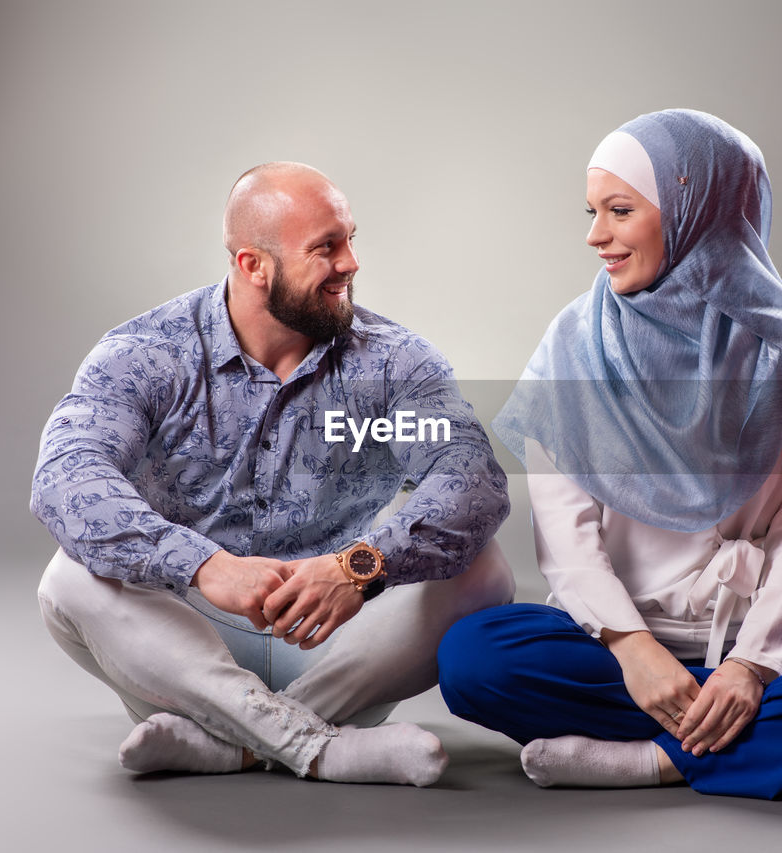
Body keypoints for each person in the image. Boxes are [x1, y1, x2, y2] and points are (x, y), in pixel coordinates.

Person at [437, 110, 782, 799]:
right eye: (592, 211)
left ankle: (657, 760)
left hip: (763, 648)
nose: (595, 235)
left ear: (702, 210)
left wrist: (750, 667)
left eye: (620, 210)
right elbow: (568, 543)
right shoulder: (572, 345)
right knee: (473, 658)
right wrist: (634, 649)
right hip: (614, 650)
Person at [32, 162, 514, 787]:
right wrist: (205, 566)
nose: (351, 263)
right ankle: (316, 746)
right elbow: (67, 476)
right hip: (183, 641)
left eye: (350, 239)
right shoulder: (147, 352)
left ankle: (228, 744)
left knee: (487, 570)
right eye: (326, 247)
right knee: (68, 575)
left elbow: (471, 476)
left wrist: (356, 568)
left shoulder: (393, 361)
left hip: (341, 632)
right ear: (253, 265)